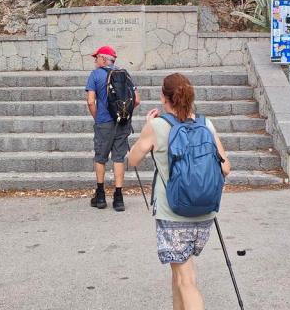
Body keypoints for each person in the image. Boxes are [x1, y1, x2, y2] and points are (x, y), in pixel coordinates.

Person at [126, 73, 231, 310]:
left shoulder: (157, 126)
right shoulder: (205, 124)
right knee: (179, 275)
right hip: (204, 212)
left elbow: (132, 160)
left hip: (172, 213)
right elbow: (226, 167)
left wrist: (147, 127)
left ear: (164, 97)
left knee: (186, 280)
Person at [85, 45, 140, 211]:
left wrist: (98, 117)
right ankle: (118, 197)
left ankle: (101, 196)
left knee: (100, 157)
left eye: (96, 58)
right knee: (118, 158)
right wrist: (123, 114)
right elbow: (137, 100)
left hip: (103, 123)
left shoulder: (95, 75)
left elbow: (90, 101)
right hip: (122, 123)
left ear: (103, 59)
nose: (95, 61)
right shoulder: (124, 74)